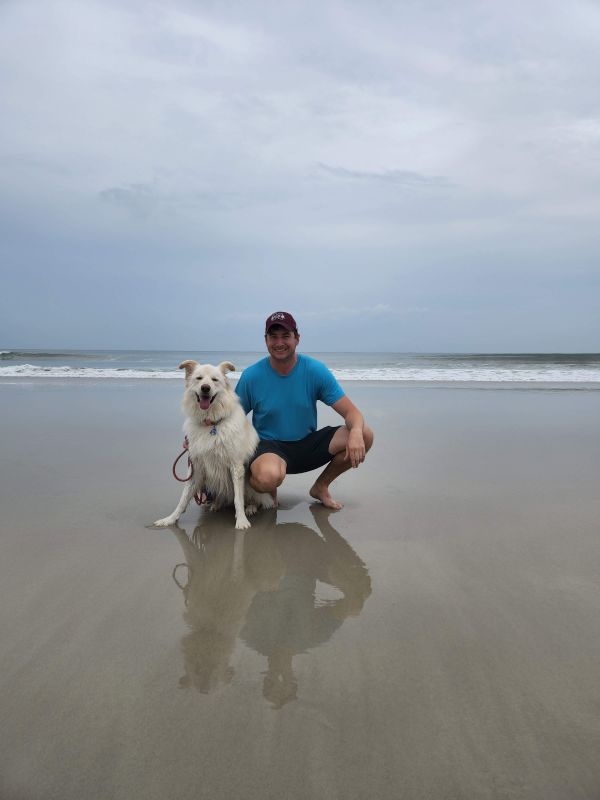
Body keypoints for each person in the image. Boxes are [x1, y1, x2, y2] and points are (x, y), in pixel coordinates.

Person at [235, 311, 374, 509]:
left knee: (365, 434)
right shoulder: (251, 376)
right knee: (267, 478)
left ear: (297, 338)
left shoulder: (315, 370)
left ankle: (321, 486)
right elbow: (230, 419)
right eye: (273, 337)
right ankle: (255, 489)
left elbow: (353, 414)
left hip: (307, 445)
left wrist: (356, 433)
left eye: (286, 336)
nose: (279, 342)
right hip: (269, 447)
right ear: (265, 340)